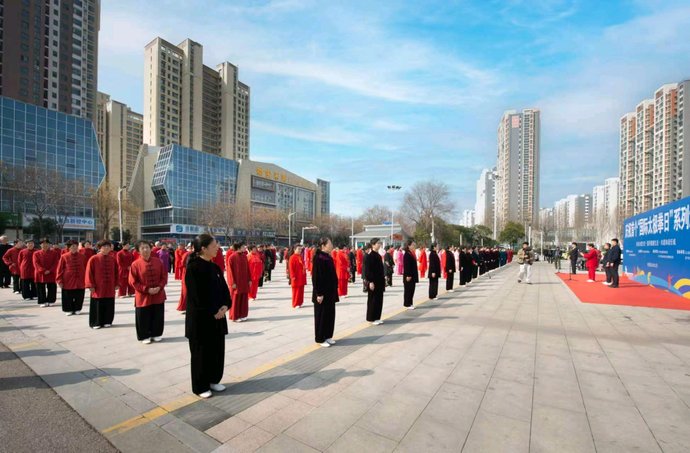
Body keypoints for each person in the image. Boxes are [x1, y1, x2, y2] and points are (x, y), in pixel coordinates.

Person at [185, 234, 230, 398]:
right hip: (201, 320)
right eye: (214, 245)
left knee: (216, 351)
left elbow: (224, 290)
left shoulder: (215, 267)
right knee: (201, 353)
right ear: (203, 248)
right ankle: (200, 386)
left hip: (218, 318)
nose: (217, 248)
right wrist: (213, 311)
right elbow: (196, 297)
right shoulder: (193, 268)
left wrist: (225, 306)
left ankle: (213, 379)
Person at [129, 241, 168, 344]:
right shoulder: (135, 264)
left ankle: (156, 333)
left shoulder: (158, 261)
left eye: (147, 247)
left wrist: (159, 287)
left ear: (151, 249)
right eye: (142, 248)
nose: (145, 250)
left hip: (158, 293)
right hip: (143, 296)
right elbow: (133, 281)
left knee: (158, 314)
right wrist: (147, 289)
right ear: (138, 251)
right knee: (143, 316)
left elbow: (164, 276)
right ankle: (144, 335)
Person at [85, 240, 119, 329]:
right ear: (99, 248)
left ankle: (107, 321)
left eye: (108, 246)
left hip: (110, 286)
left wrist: (117, 283)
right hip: (98, 287)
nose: (107, 248)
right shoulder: (94, 258)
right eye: (104, 246)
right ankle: (96, 322)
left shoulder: (113, 259)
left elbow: (116, 272)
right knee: (97, 304)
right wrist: (90, 285)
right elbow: (89, 273)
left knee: (109, 303)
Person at [312, 237, 338, 348]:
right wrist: (319, 293)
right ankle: (320, 338)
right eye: (329, 244)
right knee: (321, 316)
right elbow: (316, 277)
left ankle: (328, 335)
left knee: (330, 315)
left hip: (330, 292)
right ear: (323, 246)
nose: (331, 245)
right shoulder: (318, 258)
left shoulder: (328, 257)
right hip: (322, 293)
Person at [56, 240, 87, 316]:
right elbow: (60, 269)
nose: (74, 247)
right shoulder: (64, 256)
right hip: (68, 280)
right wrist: (59, 280)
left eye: (76, 246)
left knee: (79, 295)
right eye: (72, 246)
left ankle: (77, 308)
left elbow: (86, 268)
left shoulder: (82, 256)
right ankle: (68, 309)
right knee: (67, 295)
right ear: (69, 247)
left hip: (80, 279)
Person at [227, 242, 251, 322]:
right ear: (238, 248)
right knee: (235, 299)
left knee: (244, 299)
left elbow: (248, 269)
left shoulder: (244, 256)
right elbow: (229, 271)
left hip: (244, 282)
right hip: (236, 282)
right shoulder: (232, 257)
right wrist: (232, 283)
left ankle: (243, 314)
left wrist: (249, 279)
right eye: (243, 246)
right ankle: (235, 316)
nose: (245, 248)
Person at [33, 238, 60, 307]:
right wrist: (43, 270)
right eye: (43, 244)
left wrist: (50, 270)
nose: (45, 245)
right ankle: (42, 301)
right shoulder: (36, 253)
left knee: (51, 287)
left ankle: (51, 300)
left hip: (51, 272)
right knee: (40, 288)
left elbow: (56, 263)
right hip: (40, 273)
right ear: (40, 245)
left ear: (49, 244)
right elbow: (36, 263)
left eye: (47, 244)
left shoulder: (54, 253)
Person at [364, 238, 385, 325]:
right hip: (373, 281)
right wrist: (370, 281)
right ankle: (371, 318)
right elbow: (368, 270)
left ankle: (377, 317)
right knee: (373, 300)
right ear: (373, 245)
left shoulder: (378, 255)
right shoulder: (370, 256)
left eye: (380, 243)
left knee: (379, 300)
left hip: (379, 281)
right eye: (377, 243)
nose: (379, 245)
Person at [176, 243, 193, 313]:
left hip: (189, 274)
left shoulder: (189, 254)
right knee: (187, 291)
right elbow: (182, 263)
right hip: (187, 274)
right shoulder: (188, 254)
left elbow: (182, 263)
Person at [289, 244, 307, 309]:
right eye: (298, 249)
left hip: (301, 276)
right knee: (296, 291)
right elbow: (291, 268)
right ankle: (295, 303)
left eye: (300, 249)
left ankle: (300, 302)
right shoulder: (292, 257)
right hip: (296, 277)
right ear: (294, 249)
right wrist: (293, 276)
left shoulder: (300, 256)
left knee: (301, 290)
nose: (300, 250)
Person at [403, 240, 419, 309]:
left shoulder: (411, 253)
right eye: (412, 245)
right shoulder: (406, 254)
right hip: (409, 276)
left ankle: (410, 303)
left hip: (412, 275)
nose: (414, 246)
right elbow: (407, 266)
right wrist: (408, 275)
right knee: (408, 290)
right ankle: (407, 304)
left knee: (411, 290)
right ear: (408, 246)